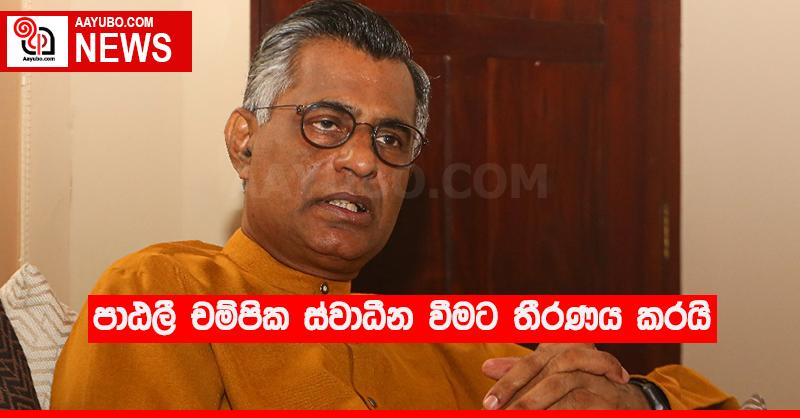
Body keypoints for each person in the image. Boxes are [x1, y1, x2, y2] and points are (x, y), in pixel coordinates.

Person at [51, 0, 737, 410]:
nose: (362, 160)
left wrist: (640, 398)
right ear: (244, 141)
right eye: (326, 123)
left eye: (390, 138)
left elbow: (706, 394)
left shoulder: (443, 342)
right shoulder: (161, 293)